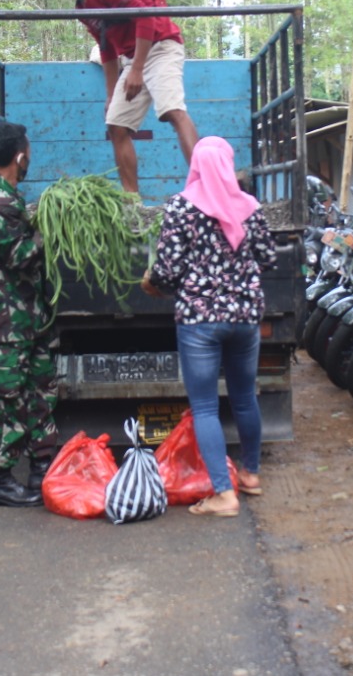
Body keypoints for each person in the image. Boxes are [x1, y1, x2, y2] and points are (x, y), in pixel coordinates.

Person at [142, 137, 276, 517]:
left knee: (204, 407)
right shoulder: (249, 206)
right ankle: (250, 475)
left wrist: (162, 285)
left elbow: (166, 271)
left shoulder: (182, 207)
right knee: (244, 397)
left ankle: (223, 494)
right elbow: (267, 258)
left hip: (200, 322)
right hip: (246, 319)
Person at [41, 0, 199, 194]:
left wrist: (136, 69)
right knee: (116, 124)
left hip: (160, 46)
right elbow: (107, 48)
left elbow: (146, 17)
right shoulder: (82, 7)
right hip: (131, 57)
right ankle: (131, 202)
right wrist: (111, 92)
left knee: (173, 110)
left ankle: (207, 186)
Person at [0, 122, 57, 507]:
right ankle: (0, 480)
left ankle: (43, 467)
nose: (30, 158)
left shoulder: (7, 197)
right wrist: (52, 228)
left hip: (24, 320)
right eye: (29, 152)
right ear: (20, 156)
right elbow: (21, 256)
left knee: (39, 391)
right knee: (7, 398)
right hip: (3, 324)